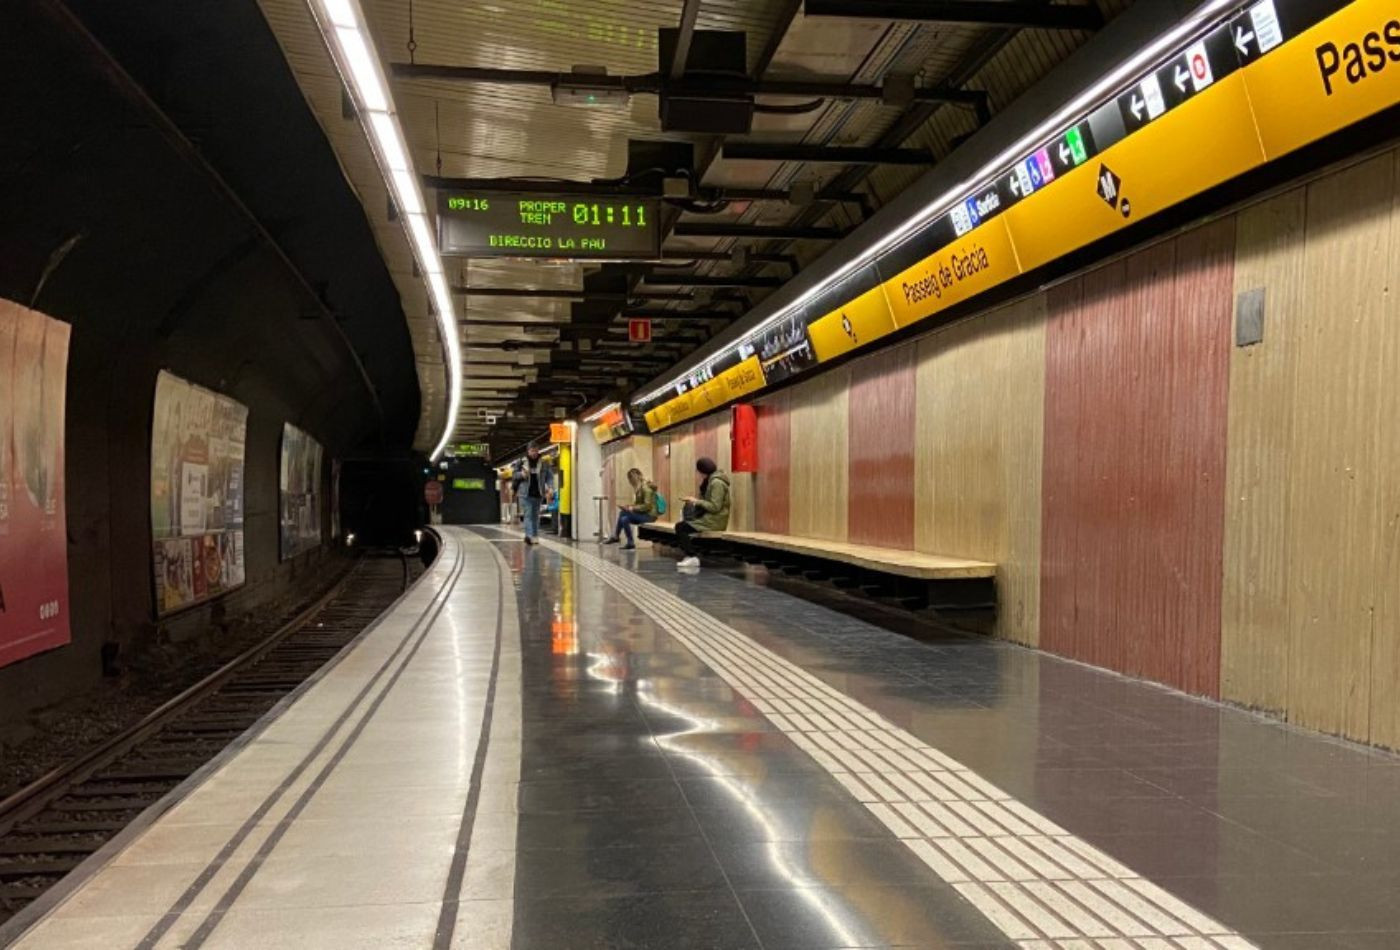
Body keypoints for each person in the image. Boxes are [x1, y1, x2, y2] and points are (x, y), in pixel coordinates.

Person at [674, 456, 729, 570]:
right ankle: (691, 556)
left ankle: (692, 556)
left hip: (714, 520)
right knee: (682, 525)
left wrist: (696, 501)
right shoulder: (711, 481)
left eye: (700, 472)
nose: (700, 475)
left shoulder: (717, 483)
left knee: (681, 527)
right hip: (709, 518)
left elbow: (715, 507)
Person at [603, 468, 656, 550]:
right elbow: (639, 505)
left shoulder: (645, 488)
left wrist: (631, 508)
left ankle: (616, 536)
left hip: (649, 516)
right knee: (624, 519)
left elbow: (647, 506)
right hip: (643, 514)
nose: (631, 482)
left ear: (637, 477)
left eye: (631, 479)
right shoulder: (639, 488)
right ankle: (630, 542)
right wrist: (629, 506)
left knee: (622, 513)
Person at [512, 446, 553, 545]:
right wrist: (521, 474)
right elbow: (514, 475)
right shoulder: (521, 462)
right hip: (525, 494)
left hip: (538, 493)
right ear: (528, 451)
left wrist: (550, 487)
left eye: (536, 450)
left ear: (538, 451)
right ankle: (530, 536)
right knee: (528, 515)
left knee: (535, 516)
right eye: (532, 451)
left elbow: (549, 476)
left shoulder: (543, 463)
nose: (534, 453)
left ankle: (534, 536)